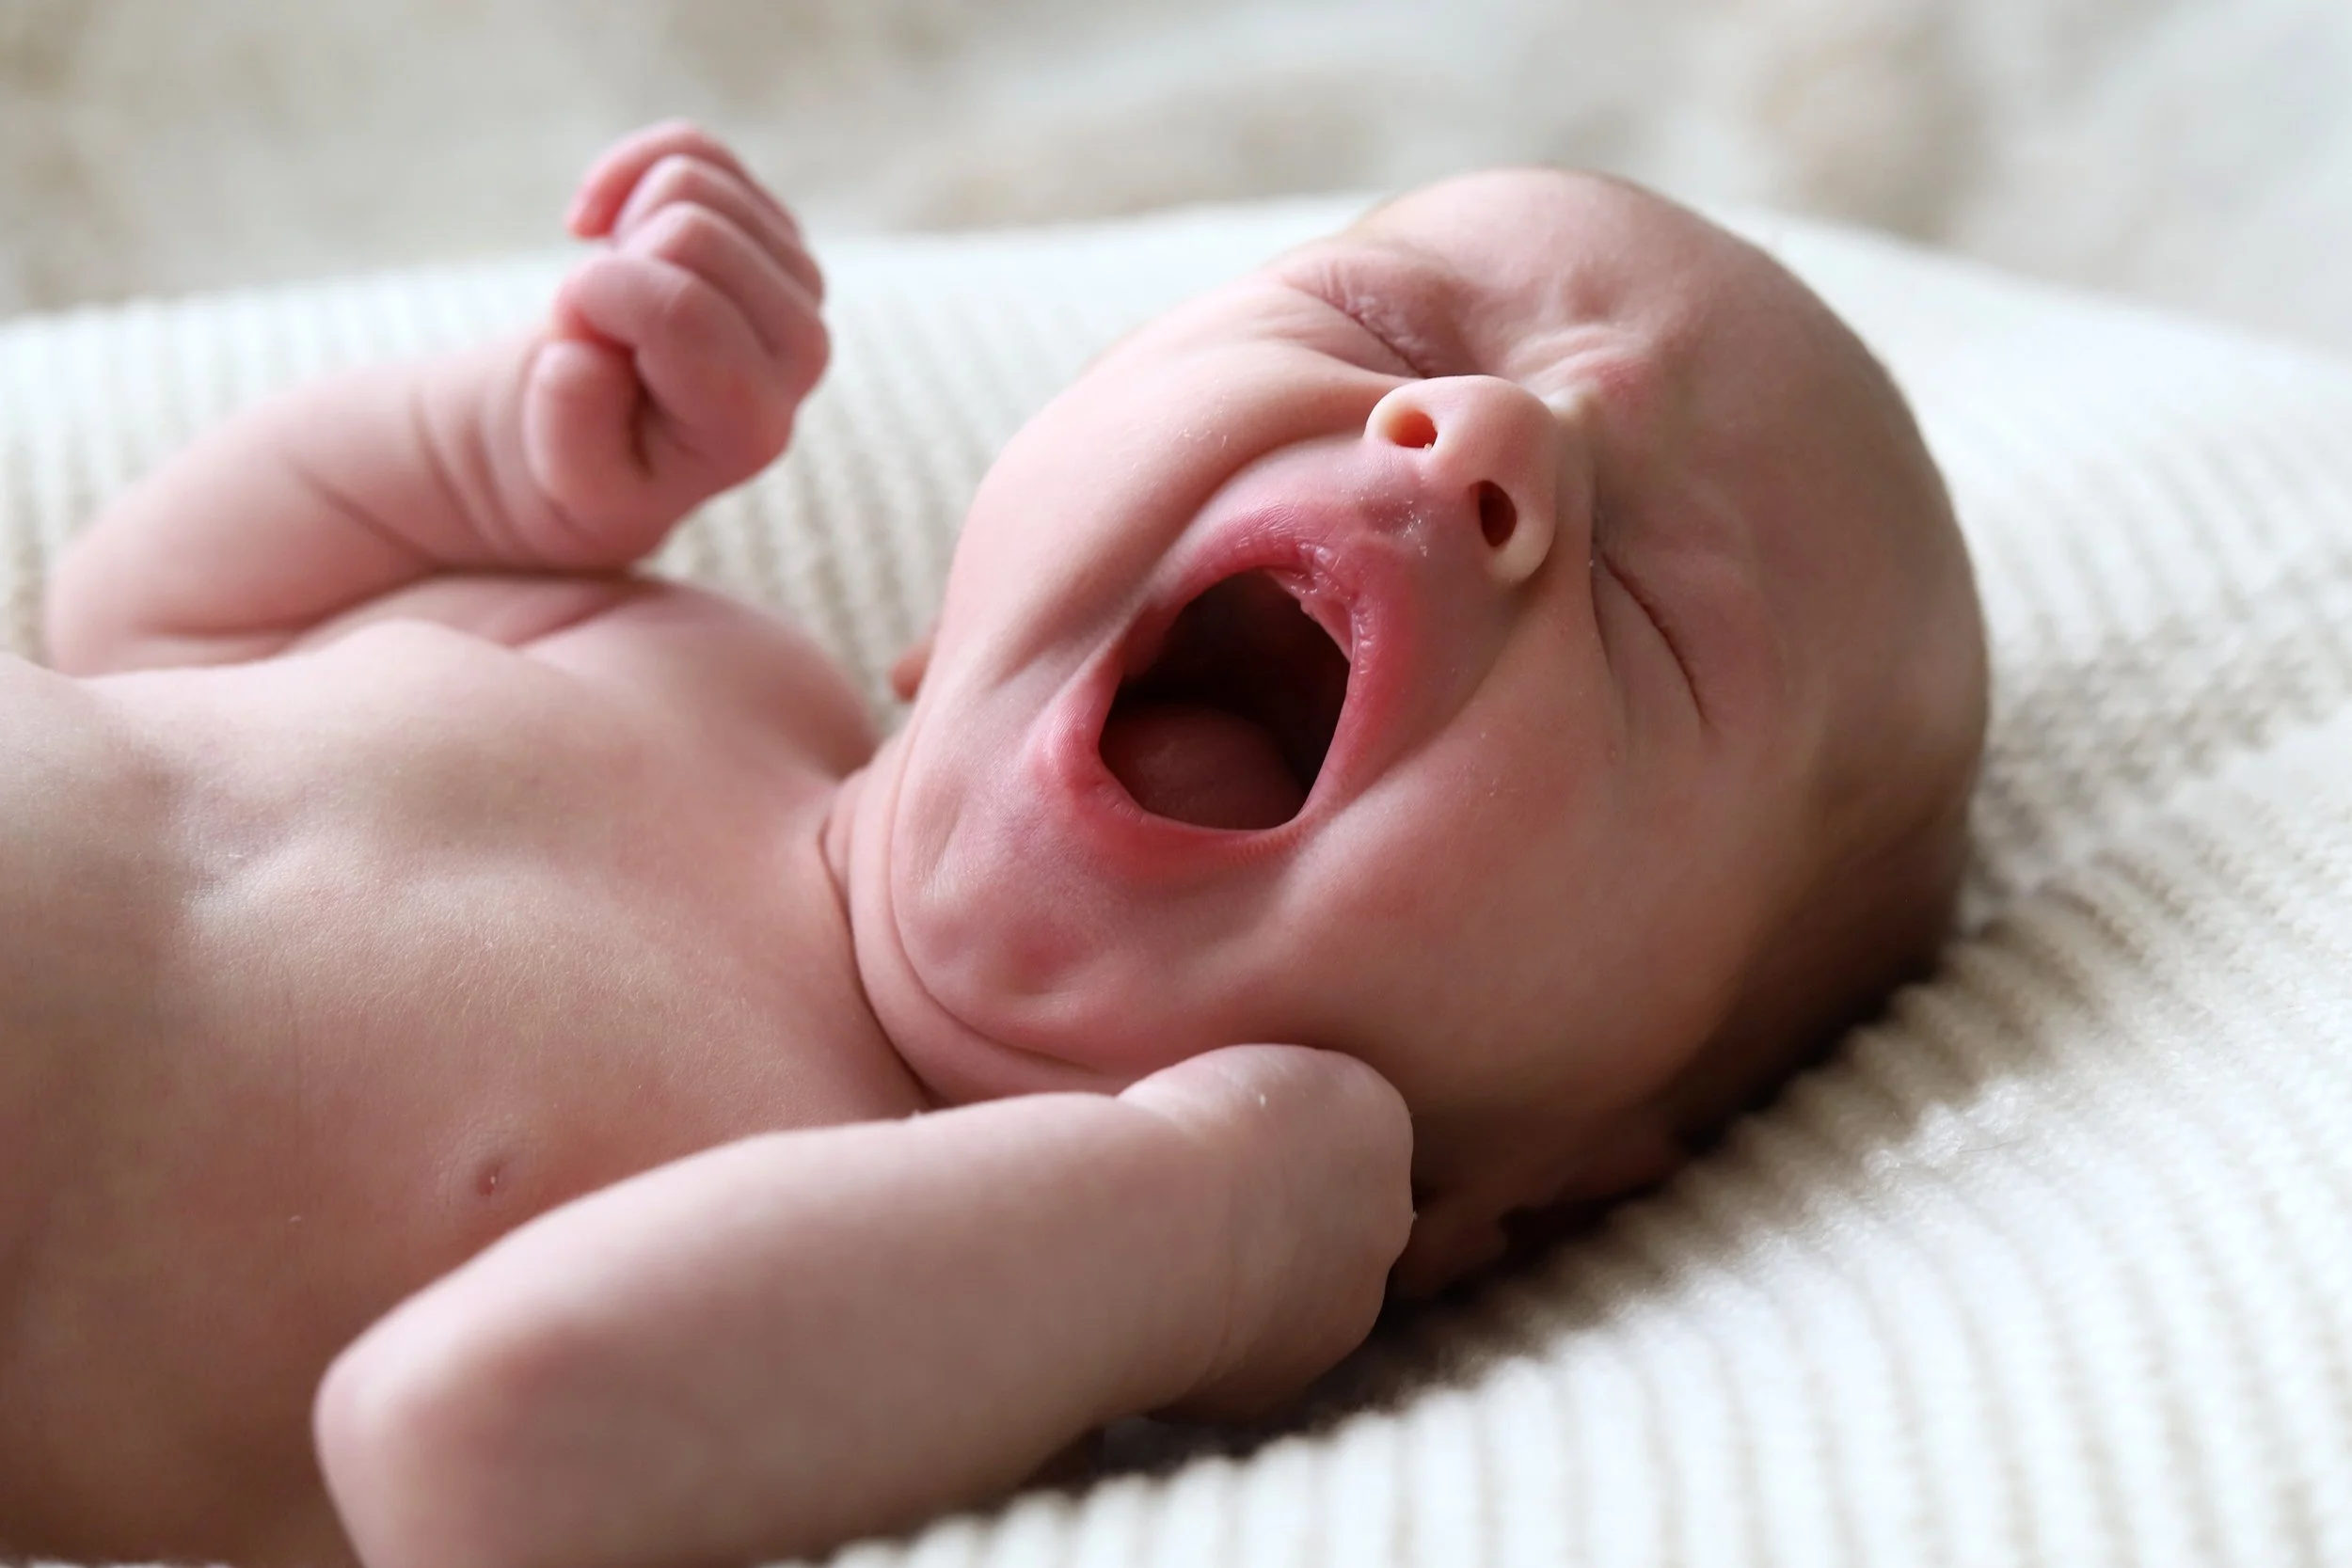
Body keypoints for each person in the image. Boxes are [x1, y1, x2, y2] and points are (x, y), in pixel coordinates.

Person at [1, 122, 1985, 1568]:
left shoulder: (959, 1276)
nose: (1476, 436)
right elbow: (137, 637)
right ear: (953, 602)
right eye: (1382, 325)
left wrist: (1194, 1225)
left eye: (1657, 624)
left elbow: (467, 1439)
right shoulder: (677, 650)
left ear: (1529, 1197)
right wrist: (496, 447)